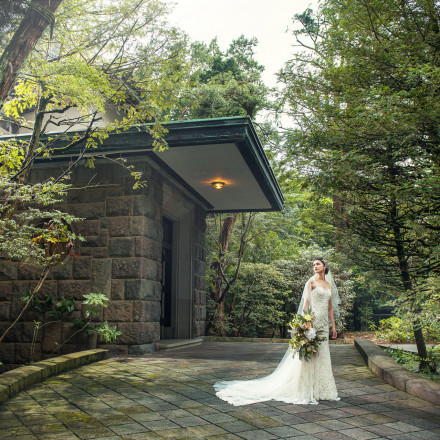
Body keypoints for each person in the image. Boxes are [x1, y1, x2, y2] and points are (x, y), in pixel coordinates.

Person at [213, 257, 340, 406]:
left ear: (325, 266)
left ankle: (323, 390)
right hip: (311, 322)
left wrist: (333, 325)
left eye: (318, 264)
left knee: (323, 355)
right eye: (313, 264)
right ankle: (306, 389)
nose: (315, 266)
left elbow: (330, 307)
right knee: (309, 355)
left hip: (324, 325)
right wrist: (306, 322)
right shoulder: (311, 282)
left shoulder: (329, 285)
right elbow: (306, 304)